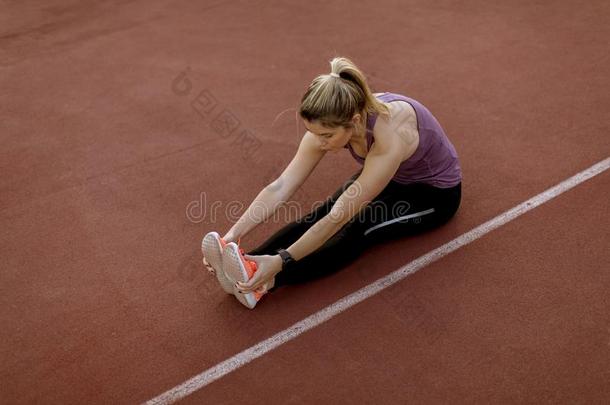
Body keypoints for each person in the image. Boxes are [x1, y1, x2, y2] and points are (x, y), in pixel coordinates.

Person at [202, 56, 462, 309]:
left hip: (433, 194)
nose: (319, 141)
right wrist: (232, 236)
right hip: (389, 174)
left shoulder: (390, 136)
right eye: (313, 133)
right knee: (321, 212)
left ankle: (267, 281)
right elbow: (281, 186)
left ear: (355, 122)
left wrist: (282, 262)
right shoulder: (334, 120)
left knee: (359, 226)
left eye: (326, 135)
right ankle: (246, 263)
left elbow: (339, 218)